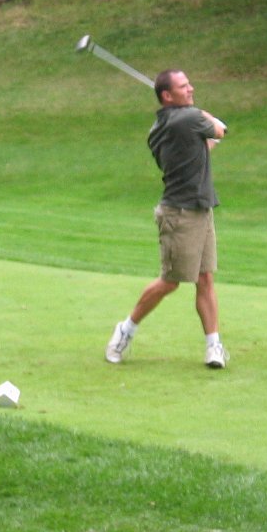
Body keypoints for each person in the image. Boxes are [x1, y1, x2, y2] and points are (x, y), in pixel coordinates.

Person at [105, 69, 230, 368]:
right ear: (167, 95)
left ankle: (214, 347)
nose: (191, 88)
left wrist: (208, 125)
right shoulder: (187, 119)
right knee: (170, 282)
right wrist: (208, 117)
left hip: (200, 208)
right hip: (180, 213)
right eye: (184, 86)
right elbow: (219, 131)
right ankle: (124, 331)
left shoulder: (163, 125)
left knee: (205, 278)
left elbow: (204, 148)